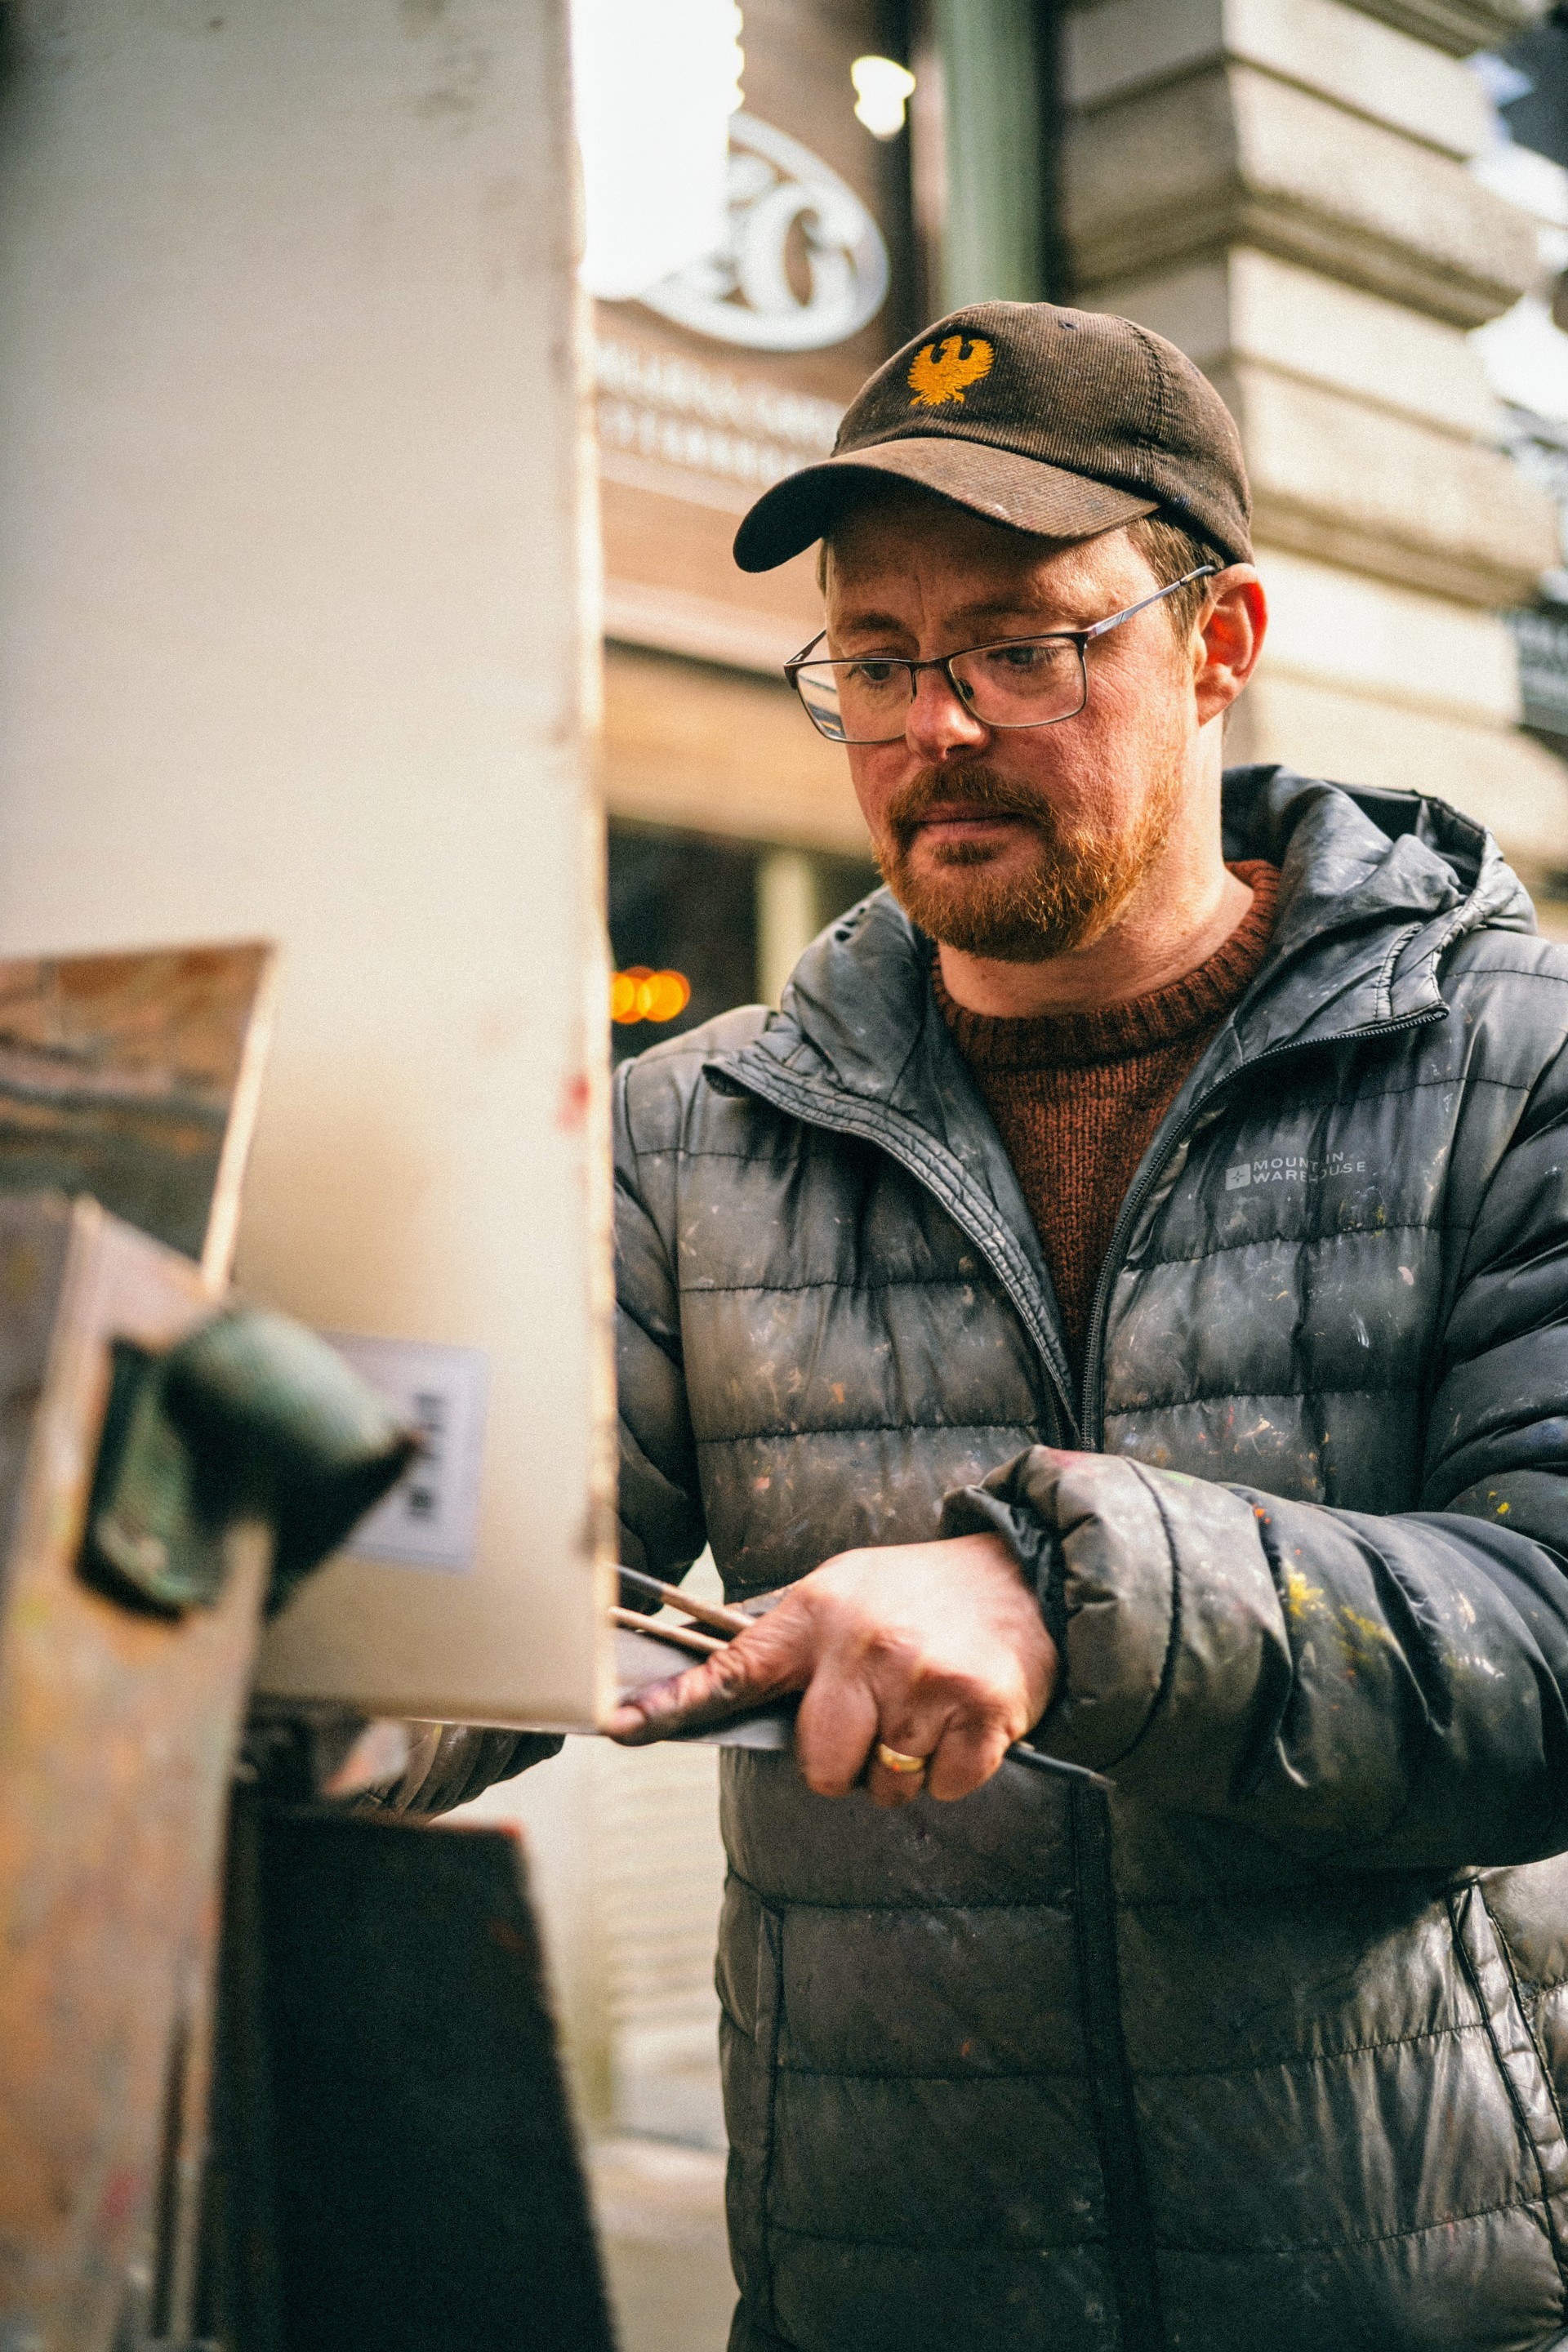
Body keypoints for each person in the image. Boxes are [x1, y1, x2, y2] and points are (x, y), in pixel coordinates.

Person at [595, 301, 1568, 2352]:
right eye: (875, 661)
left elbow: (1550, 1650)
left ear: (1220, 643)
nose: (931, 726)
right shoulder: (696, 1125)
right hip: (885, 2295)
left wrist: (1065, 1597)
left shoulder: (1514, 1065)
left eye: (1026, 647)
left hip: (1421, 2289)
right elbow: (520, 1572)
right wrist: (291, 1655)